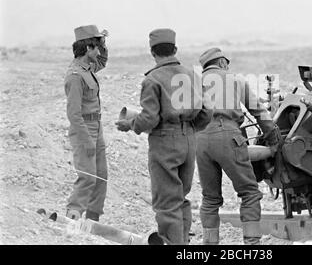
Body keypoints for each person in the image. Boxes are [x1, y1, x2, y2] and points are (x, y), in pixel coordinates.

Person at [115, 28, 211, 245]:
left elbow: (149, 119)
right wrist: (189, 128)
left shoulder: (153, 79)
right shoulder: (192, 75)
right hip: (189, 139)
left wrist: (130, 124)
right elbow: (207, 113)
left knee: (167, 202)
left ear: (152, 52)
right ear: (175, 49)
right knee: (181, 198)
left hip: (164, 141)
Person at [196, 47, 279, 245]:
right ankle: (252, 245)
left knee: (209, 198)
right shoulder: (235, 79)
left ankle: (209, 245)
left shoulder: (193, 84)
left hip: (201, 140)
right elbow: (259, 112)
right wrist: (273, 141)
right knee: (249, 192)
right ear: (223, 63)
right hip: (228, 136)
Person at [64, 25, 109, 222]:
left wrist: (103, 42)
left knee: (101, 176)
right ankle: (72, 218)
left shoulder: (87, 68)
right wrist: (86, 140)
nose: (98, 52)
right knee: (88, 177)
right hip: (84, 130)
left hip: (96, 129)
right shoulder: (75, 76)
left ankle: (92, 221)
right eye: (96, 48)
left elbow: (103, 61)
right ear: (87, 48)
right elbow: (74, 115)